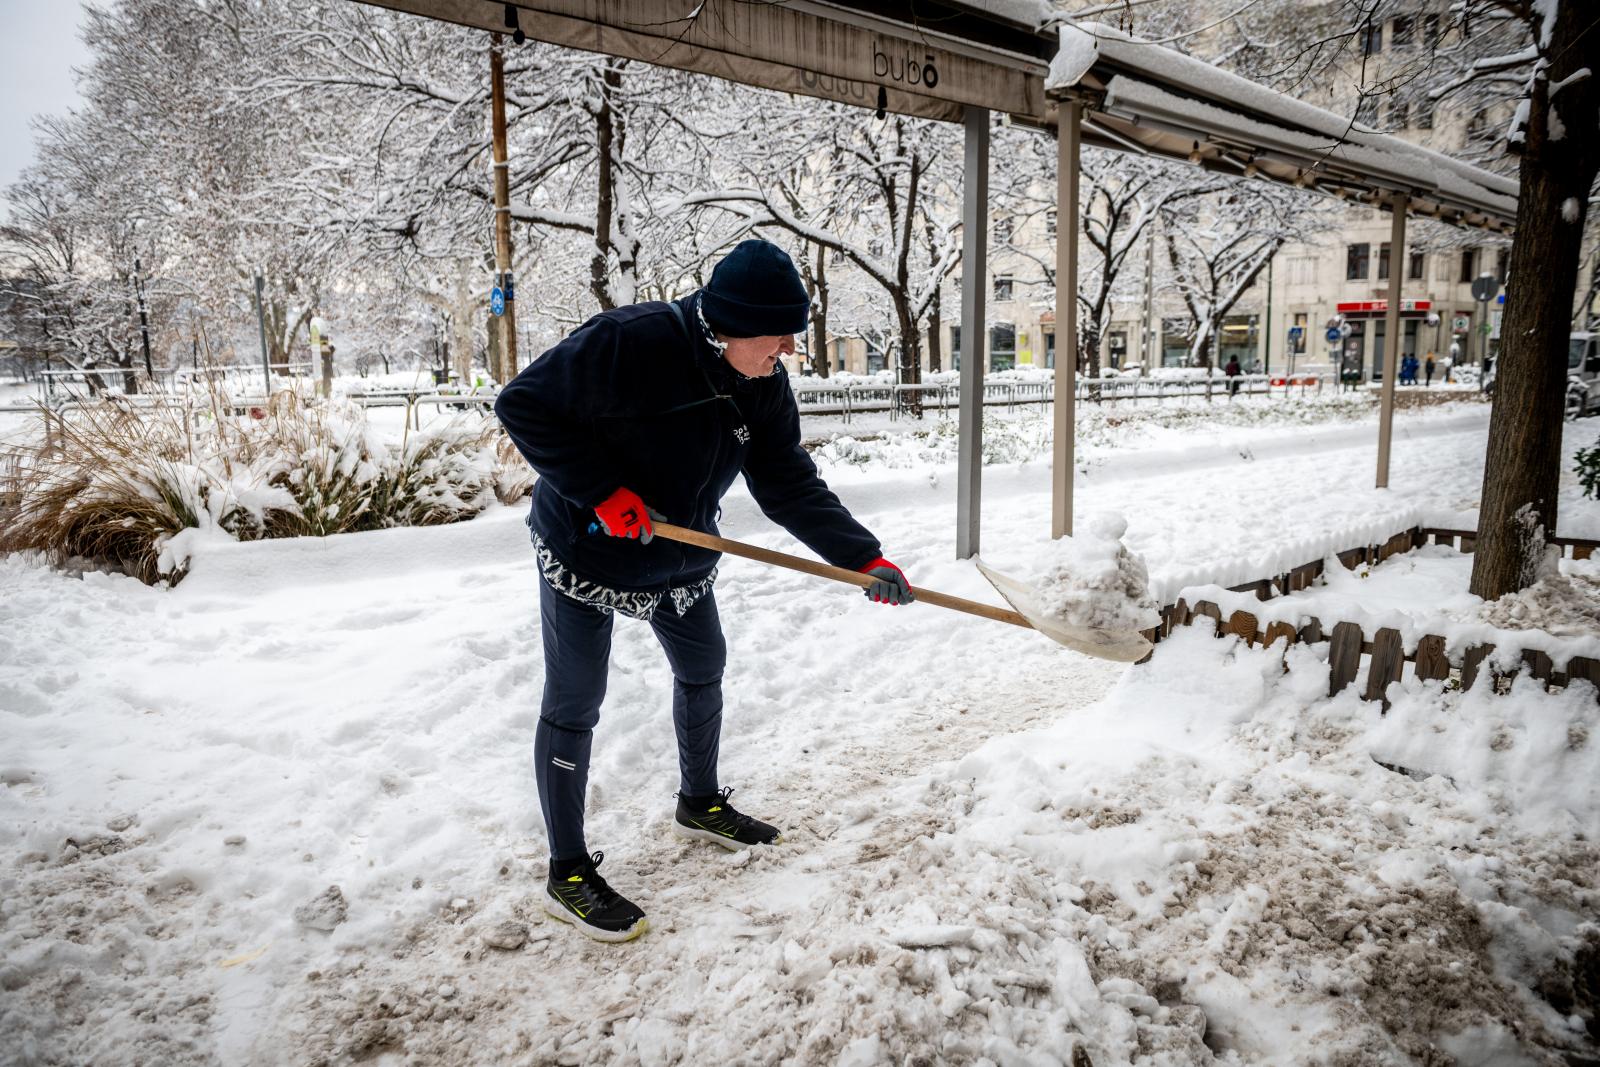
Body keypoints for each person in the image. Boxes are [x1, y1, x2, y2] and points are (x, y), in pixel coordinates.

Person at [494, 239, 913, 943]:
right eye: (777, 334)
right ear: (728, 324)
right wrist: (601, 492)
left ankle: (700, 801)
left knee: (703, 668)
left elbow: (786, 482)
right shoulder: (627, 343)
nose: (786, 348)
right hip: (587, 549)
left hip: (680, 552)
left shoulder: (763, 383)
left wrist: (862, 556)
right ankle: (567, 870)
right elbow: (523, 404)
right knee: (575, 702)